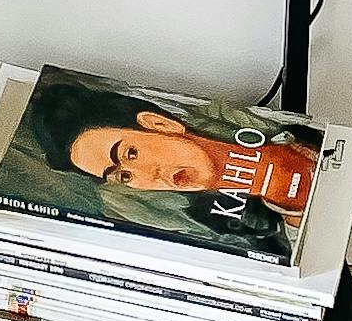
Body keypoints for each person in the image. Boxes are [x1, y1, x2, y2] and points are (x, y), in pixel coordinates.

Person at [64, 102, 317, 244]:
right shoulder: (238, 233)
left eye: (131, 153)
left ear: (160, 125)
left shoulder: (284, 134)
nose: (148, 174)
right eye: (124, 177)